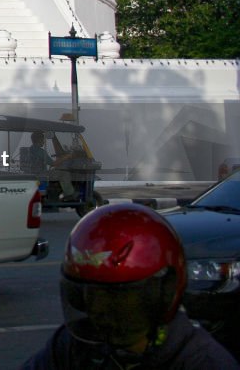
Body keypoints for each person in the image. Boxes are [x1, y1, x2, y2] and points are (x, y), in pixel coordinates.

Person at [21, 204, 238, 369]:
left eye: (118, 297)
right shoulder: (77, 347)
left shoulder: (201, 362)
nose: (99, 310)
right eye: (89, 295)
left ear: (161, 292)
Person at [27, 131, 75, 200]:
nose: (44, 141)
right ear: (39, 140)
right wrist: (67, 157)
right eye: (43, 139)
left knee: (55, 171)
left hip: (33, 172)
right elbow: (54, 163)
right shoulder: (40, 151)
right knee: (64, 174)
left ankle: (58, 192)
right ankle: (69, 194)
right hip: (41, 174)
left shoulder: (30, 149)